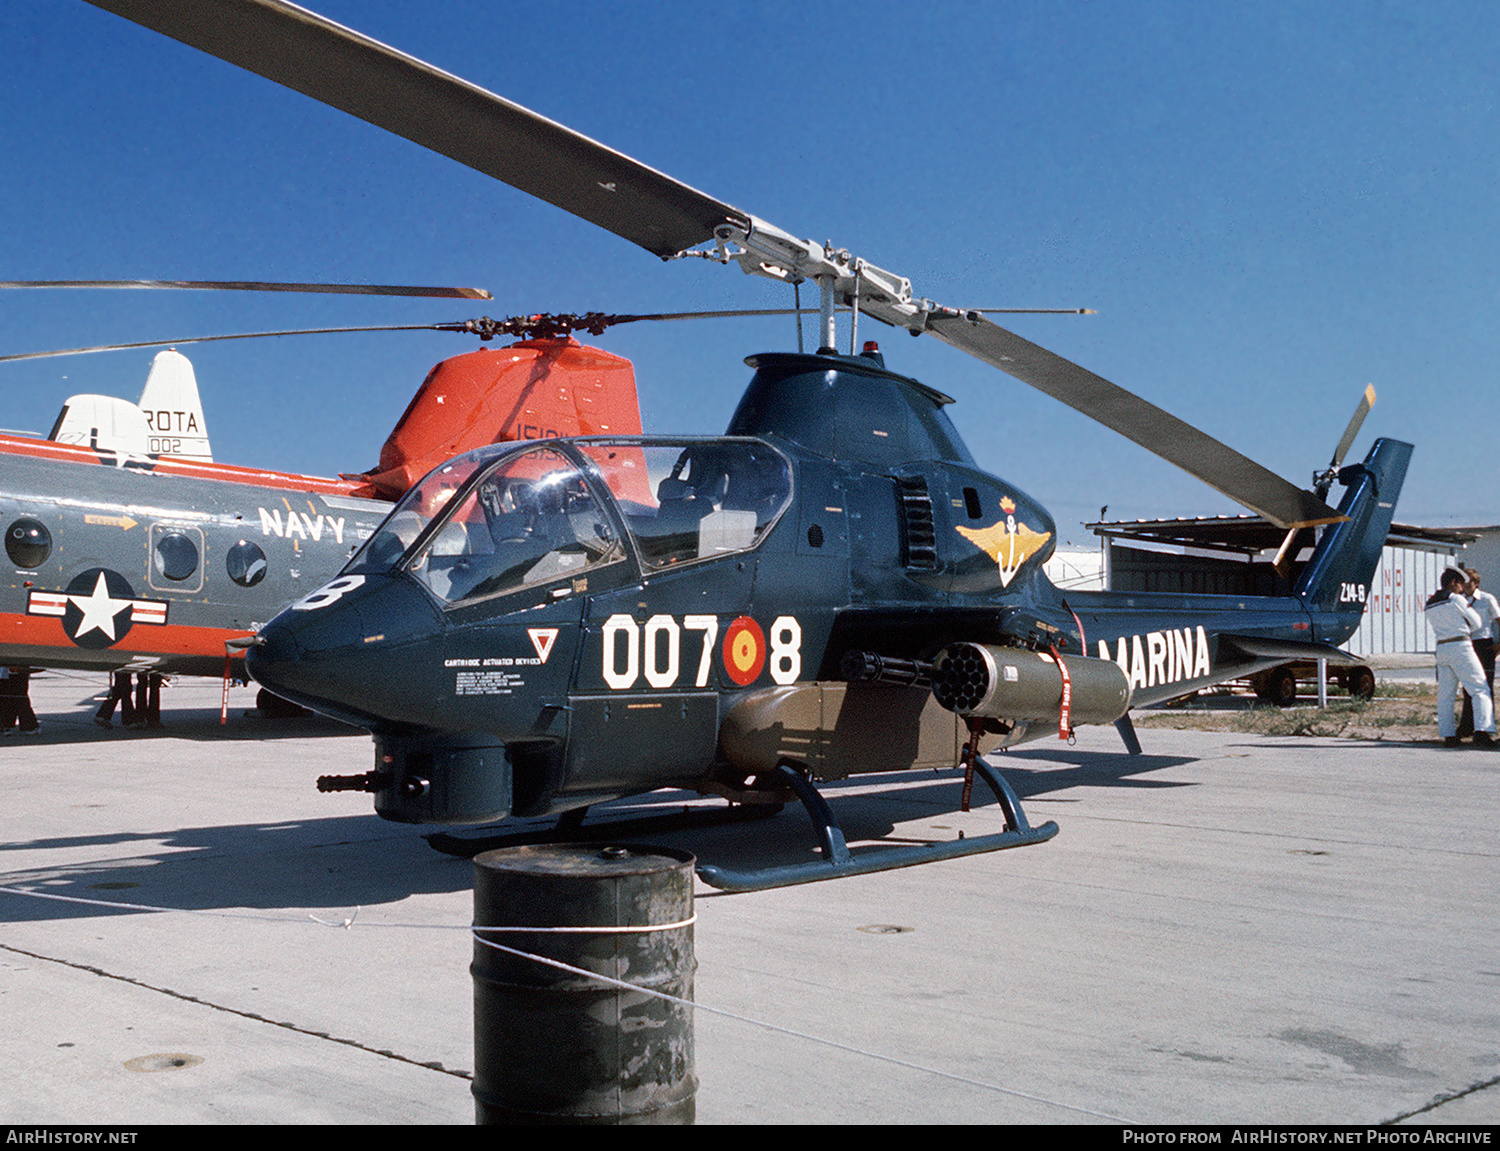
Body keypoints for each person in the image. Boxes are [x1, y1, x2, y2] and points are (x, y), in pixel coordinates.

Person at [1425, 568, 1496, 746]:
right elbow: (1477, 622)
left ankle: (1449, 735)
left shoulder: (1430, 602)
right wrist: (1464, 628)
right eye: (1460, 584)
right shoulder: (1456, 599)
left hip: (1441, 647)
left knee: (1446, 695)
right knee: (1480, 688)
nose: (1462, 588)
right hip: (1461, 645)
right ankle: (1482, 731)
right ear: (1453, 583)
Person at [1458, 567, 1500, 736]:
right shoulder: (1460, 600)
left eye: (1468, 581)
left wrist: (1499, 645)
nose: (1465, 584)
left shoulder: (1486, 598)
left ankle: (1486, 728)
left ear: (1475, 583)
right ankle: (1467, 726)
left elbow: (1498, 619)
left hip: (1484, 644)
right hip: (1468, 643)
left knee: (1485, 686)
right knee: (1468, 687)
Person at [0, 666, 39, 735]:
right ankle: (7, 725)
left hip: (13, 672)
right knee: (14, 699)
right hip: (10, 673)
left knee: (16, 698)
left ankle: (8, 726)